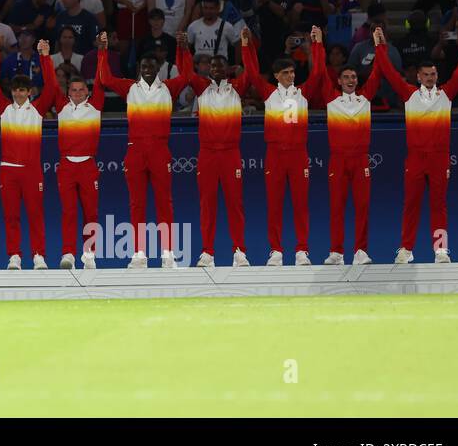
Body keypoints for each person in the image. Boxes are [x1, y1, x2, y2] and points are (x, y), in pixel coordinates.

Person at [371, 24, 458, 264]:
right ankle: (406, 249)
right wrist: (380, 46)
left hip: (439, 158)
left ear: (437, 76)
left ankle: (440, 250)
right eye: (426, 75)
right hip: (416, 159)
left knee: (439, 204)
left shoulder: (446, 95)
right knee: (411, 205)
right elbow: (388, 72)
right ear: (418, 76)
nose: (430, 78)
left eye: (433, 74)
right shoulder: (409, 94)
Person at [96, 32, 193, 268]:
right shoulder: (130, 88)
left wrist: (183, 49)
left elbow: (188, 75)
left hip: (160, 150)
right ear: (139, 68)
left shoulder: (168, 88)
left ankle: (168, 253)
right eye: (143, 66)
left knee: (164, 202)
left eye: (151, 65)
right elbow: (106, 79)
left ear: (158, 67)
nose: (147, 69)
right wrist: (103, 50)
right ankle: (139, 254)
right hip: (135, 151)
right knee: (136, 203)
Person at [240, 26, 326, 267]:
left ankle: (302, 250)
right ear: (276, 76)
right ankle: (276, 250)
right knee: (274, 205)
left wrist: (318, 44)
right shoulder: (268, 94)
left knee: (301, 205)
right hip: (275, 155)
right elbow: (252, 72)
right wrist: (246, 46)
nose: (291, 76)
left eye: (292, 72)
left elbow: (318, 73)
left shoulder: (303, 93)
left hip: (298, 154)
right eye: (286, 73)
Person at [0, 35, 59, 270]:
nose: (18, 94)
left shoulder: (37, 109)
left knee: (35, 215)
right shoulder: (4, 109)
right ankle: (14, 255)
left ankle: (38, 256)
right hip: (8, 171)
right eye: (15, 90)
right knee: (11, 216)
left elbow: (53, 87)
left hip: (32, 171)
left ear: (29, 92)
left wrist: (45, 57)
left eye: (22, 90)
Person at [310, 27, 382, 267]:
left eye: (354, 77)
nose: (351, 81)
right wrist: (318, 44)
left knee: (362, 208)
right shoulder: (331, 99)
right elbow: (319, 73)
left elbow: (379, 71)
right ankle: (337, 253)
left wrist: (378, 44)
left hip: (361, 160)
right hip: (338, 160)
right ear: (339, 81)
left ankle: (361, 252)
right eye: (346, 78)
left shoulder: (365, 99)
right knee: (337, 208)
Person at [178, 40, 250, 268]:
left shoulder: (237, 88)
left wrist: (246, 46)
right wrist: (184, 49)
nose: (216, 70)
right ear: (208, 70)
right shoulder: (202, 88)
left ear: (228, 70)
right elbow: (186, 73)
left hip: (230, 154)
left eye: (220, 66)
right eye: (213, 67)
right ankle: (207, 253)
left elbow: (253, 71)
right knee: (207, 205)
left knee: (235, 205)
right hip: (208, 154)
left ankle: (239, 252)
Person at [54, 69, 104, 270]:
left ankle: (89, 254)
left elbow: (101, 80)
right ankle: (68, 253)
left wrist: (102, 52)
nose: (77, 93)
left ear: (88, 92)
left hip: (88, 166)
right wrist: (45, 56)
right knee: (68, 212)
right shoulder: (61, 107)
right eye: (73, 90)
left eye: (81, 90)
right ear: (68, 92)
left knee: (91, 213)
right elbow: (50, 82)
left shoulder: (95, 107)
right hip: (66, 165)